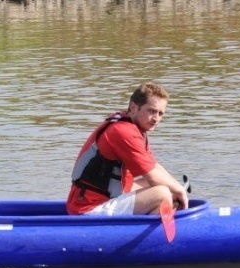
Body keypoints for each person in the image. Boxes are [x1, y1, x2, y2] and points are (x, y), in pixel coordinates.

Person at [67, 82, 188, 216]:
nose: (156, 119)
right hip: (88, 208)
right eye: (152, 111)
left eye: (160, 113)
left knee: (159, 185)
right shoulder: (123, 131)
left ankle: (159, 215)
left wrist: (175, 188)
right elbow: (153, 176)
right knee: (162, 193)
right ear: (133, 107)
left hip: (102, 198)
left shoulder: (133, 127)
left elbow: (153, 167)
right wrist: (180, 192)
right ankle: (152, 226)